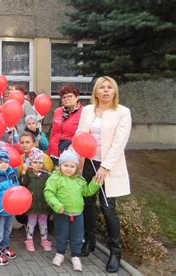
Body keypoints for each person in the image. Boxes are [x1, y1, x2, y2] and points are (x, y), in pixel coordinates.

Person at [76, 76, 132, 273]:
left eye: (110, 87)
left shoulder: (122, 112)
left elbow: (119, 142)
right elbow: (80, 134)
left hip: (109, 167)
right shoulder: (88, 110)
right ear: (96, 92)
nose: (106, 90)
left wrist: (106, 167)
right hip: (89, 164)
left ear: (115, 91)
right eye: (102, 87)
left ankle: (115, 252)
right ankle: (89, 242)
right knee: (88, 204)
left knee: (108, 209)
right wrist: (79, 158)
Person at [44, 150, 101, 272]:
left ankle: (76, 256)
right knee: (62, 234)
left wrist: (96, 182)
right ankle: (60, 253)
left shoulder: (80, 180)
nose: (68, 169)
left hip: (78, 214)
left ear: (76, 167)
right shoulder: (55, 179)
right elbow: (49, 193)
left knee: (77, 236)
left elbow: (87, 192)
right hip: (62, 213)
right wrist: (57, 205)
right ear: (60, 166)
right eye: (65, 165)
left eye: (72, 166)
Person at [20, 148, 52, 252]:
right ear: (30, 163)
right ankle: (29, 240)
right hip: (32, 204)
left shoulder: (47, 175)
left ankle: (44, 240)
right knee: (31, 222)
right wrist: (24, 172)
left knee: (43, 222)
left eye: (40, 163)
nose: (38, 165)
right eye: (35, 162)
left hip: (43, 204)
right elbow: (22, 184)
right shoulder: (28, 174)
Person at [48, 84, 83, 164]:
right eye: (64, 97)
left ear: (77, 97)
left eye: (69, 96)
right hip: (55, 150)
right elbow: (53, 132)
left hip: (71, 152)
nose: (66, 99)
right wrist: (50, 150)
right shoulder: (58, 111)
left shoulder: (84, 112)